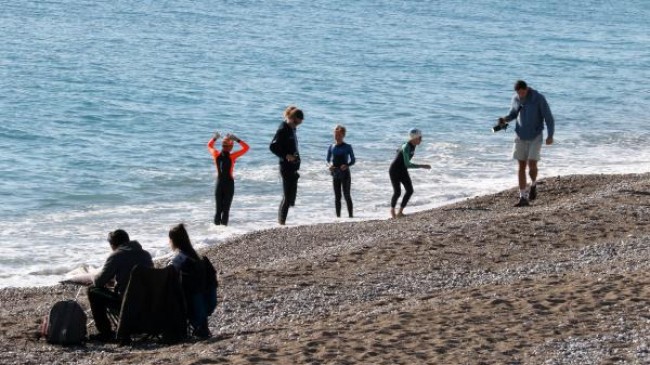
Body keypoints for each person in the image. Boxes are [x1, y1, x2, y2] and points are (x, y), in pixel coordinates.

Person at [87, 229, 153, 342]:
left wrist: (92, 276)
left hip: (126, 303)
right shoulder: (145, 254)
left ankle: (105, 332)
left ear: (113, 245)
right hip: (148, 302)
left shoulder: (117, 255)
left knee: (92, 290)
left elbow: (99, 282)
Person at [496, 80, 555, 207]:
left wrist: (550, 135)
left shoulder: (538, 98)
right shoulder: (516, 99)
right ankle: (523, 197)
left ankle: (533, 183)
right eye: (518, 93)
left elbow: (549, 118)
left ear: (527, 89)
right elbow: (513, 114)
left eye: (522, 92)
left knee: (532, 164)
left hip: (535, 136)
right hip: (520, 135)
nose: (521, 95)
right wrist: (504, 119)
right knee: (521, 165)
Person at [168, 223, 217, 338]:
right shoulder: (199, 258)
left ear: (173, 241)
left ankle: (198, 326)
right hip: (206, 301)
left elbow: (168, 273)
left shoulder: (179, 259)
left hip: (191, 302)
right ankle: (201, 326)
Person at [269, 106, 304, 225]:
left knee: (291, 199)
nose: (296, 125)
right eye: (295, 122)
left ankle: (282, 220)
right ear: (290, 117)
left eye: (299, 124)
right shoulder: (282, 129)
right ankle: (281, 222)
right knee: (287, 197)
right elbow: (272, 147)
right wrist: (286, 156)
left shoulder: (292, 129)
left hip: (294, 167)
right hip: (285, 167)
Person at [207, 132, 250, 225]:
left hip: (219, 184)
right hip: (229, 184)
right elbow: (247, 148)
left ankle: (216, 232)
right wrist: (237, 139)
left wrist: (215, 138)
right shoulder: (232, 156)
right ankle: (224, 232)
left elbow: (209, 145)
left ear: (222, 146)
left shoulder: (215, 154)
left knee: (218, 210)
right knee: (226, 210)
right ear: (231, 147)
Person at [389, 128, 431, 218]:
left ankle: (400, 212)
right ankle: (392, 211)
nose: (421, 139)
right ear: (414, 138)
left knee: (410, 190)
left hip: (403, 170)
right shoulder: (406, 146)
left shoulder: (413, 145)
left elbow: (397, 151)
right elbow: (408, 164)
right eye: (420, 138)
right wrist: (422, 166)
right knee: (397, 192)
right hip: (394, 170)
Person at [326, 124, 356, 218]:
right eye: (335, 135)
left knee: (347, 195)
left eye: (339, 135)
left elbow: (353, 160)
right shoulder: (331, 146)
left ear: (343, 135)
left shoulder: (348, 147)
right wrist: (329, 165)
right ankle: (338, 218)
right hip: (335, 174)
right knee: (337, 197)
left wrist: (347, 165)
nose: (337, 137)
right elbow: (327, 160)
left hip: (345, 174)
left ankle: (351, 216)